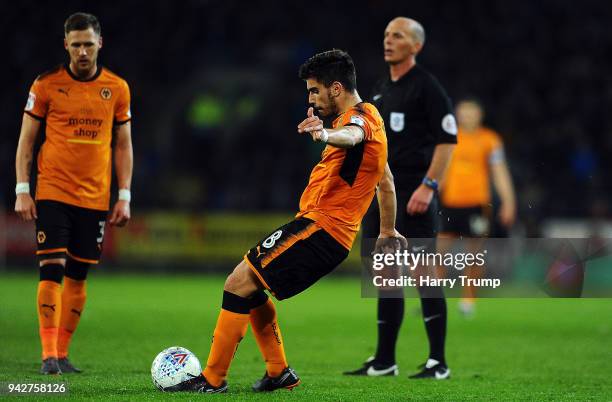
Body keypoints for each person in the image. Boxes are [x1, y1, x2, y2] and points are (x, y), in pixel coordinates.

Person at [170, 49, 405, 393]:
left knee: (236, 283)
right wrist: (386, 229)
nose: (310, 97)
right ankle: (278, 373)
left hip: (323, 229)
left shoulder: (361, 119)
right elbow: (386, 181)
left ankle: (213, 379)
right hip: (322, 230)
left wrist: (324, 135)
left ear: (335, 88)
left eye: (314, 90)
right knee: (248, 289)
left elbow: (351, 135)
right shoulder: (373, 125)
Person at [14, 12, 133, 375]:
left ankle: (62, 354)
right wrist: (23, 189)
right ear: (66, 45)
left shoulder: (117, 88)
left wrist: (124, 195)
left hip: (95, 198)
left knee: (79, 276)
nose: (82, 51)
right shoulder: (46, 84)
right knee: (51, 269)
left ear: (100, 43)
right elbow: (26, 143)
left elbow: (123, 145)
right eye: (76, 44)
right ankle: (48, 355)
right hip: (52, 191)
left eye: (88, 43)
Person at [344, 17, 456, 379]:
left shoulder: (427, 87)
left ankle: (438, 361)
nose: (389, 41)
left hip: (415, 193)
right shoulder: (380, 89)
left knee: (424, 274)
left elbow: (447, 141)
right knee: (385, 275)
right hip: (382, 193)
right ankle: (384, 360)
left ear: (416, 46)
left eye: (398, 36)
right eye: (387, 35)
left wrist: (429, 186)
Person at [439, 98, 516, 316]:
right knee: (438, 252)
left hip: (477, 205)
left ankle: (468, 301)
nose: (467, 117)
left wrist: (509, 201)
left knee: (474, 254)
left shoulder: (490, 140)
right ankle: (434, 299)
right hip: (450, 202)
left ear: (479, 115)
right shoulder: (450, 138)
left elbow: (500, 172)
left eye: (471, 113)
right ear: (457, 115)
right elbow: (442, 169)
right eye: (463, 113)